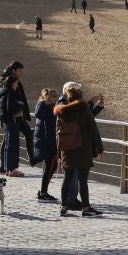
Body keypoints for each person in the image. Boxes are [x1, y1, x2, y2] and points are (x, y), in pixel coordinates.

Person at [54, 82, 105, 217]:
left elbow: (57, 133)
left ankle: (64, 205)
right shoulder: (84, 110)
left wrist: (59, 152)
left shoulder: (61, 111)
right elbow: (94, 130)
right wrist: (100, 148)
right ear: (79, 97)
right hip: (83, 149)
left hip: (67, 150)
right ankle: (86, 208)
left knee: (68, 178)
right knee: (83, 180)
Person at [0, 61, 36, 172]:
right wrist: (19, 106)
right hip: (12, 116)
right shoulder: (7, 80)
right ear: (13, 69)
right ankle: (5, 167)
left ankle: (30, 159)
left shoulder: (11, 79)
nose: (21, 73)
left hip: (17, 115)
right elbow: (8, 98)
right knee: (8, 142)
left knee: (27, 133)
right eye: (19, 71)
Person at [33, 88, 59, 201]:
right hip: (47, 144)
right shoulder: (48, 111)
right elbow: (49, 131)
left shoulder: (42, 108)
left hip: (43, 143)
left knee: (49, 167)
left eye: (55, 97)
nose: (55, 99)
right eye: (52, 96)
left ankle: (43, 192)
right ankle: (43, 193)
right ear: (47, 97)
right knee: (50, 167)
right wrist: (54, 148)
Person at [0, 75, 24, 177]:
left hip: (6, 121)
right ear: (12, 83)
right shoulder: (10, 93)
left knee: (8, 146)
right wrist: (20, 104)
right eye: (16, 83)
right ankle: (12, 169)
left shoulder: (4, 92)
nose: (17, 85)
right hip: (11, 121)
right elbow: (12, 108)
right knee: (12, 146)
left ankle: (7, 169)